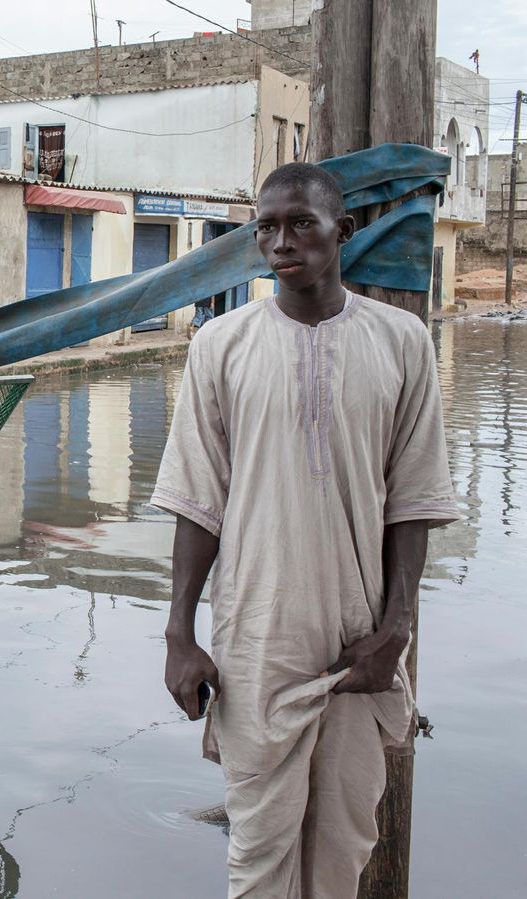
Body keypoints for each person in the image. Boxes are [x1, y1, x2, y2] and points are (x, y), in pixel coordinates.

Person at [152, 162, 458, 898]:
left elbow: (412, 500)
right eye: (267, 227)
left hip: (361, 643)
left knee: (343, 851)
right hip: (258, 642)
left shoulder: (401, 342)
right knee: (258, 857)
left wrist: (397, 631)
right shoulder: (219, 347)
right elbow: (199, 503)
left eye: (300, 224)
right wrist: (179, 634)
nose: (280, 241)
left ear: (341, 231)